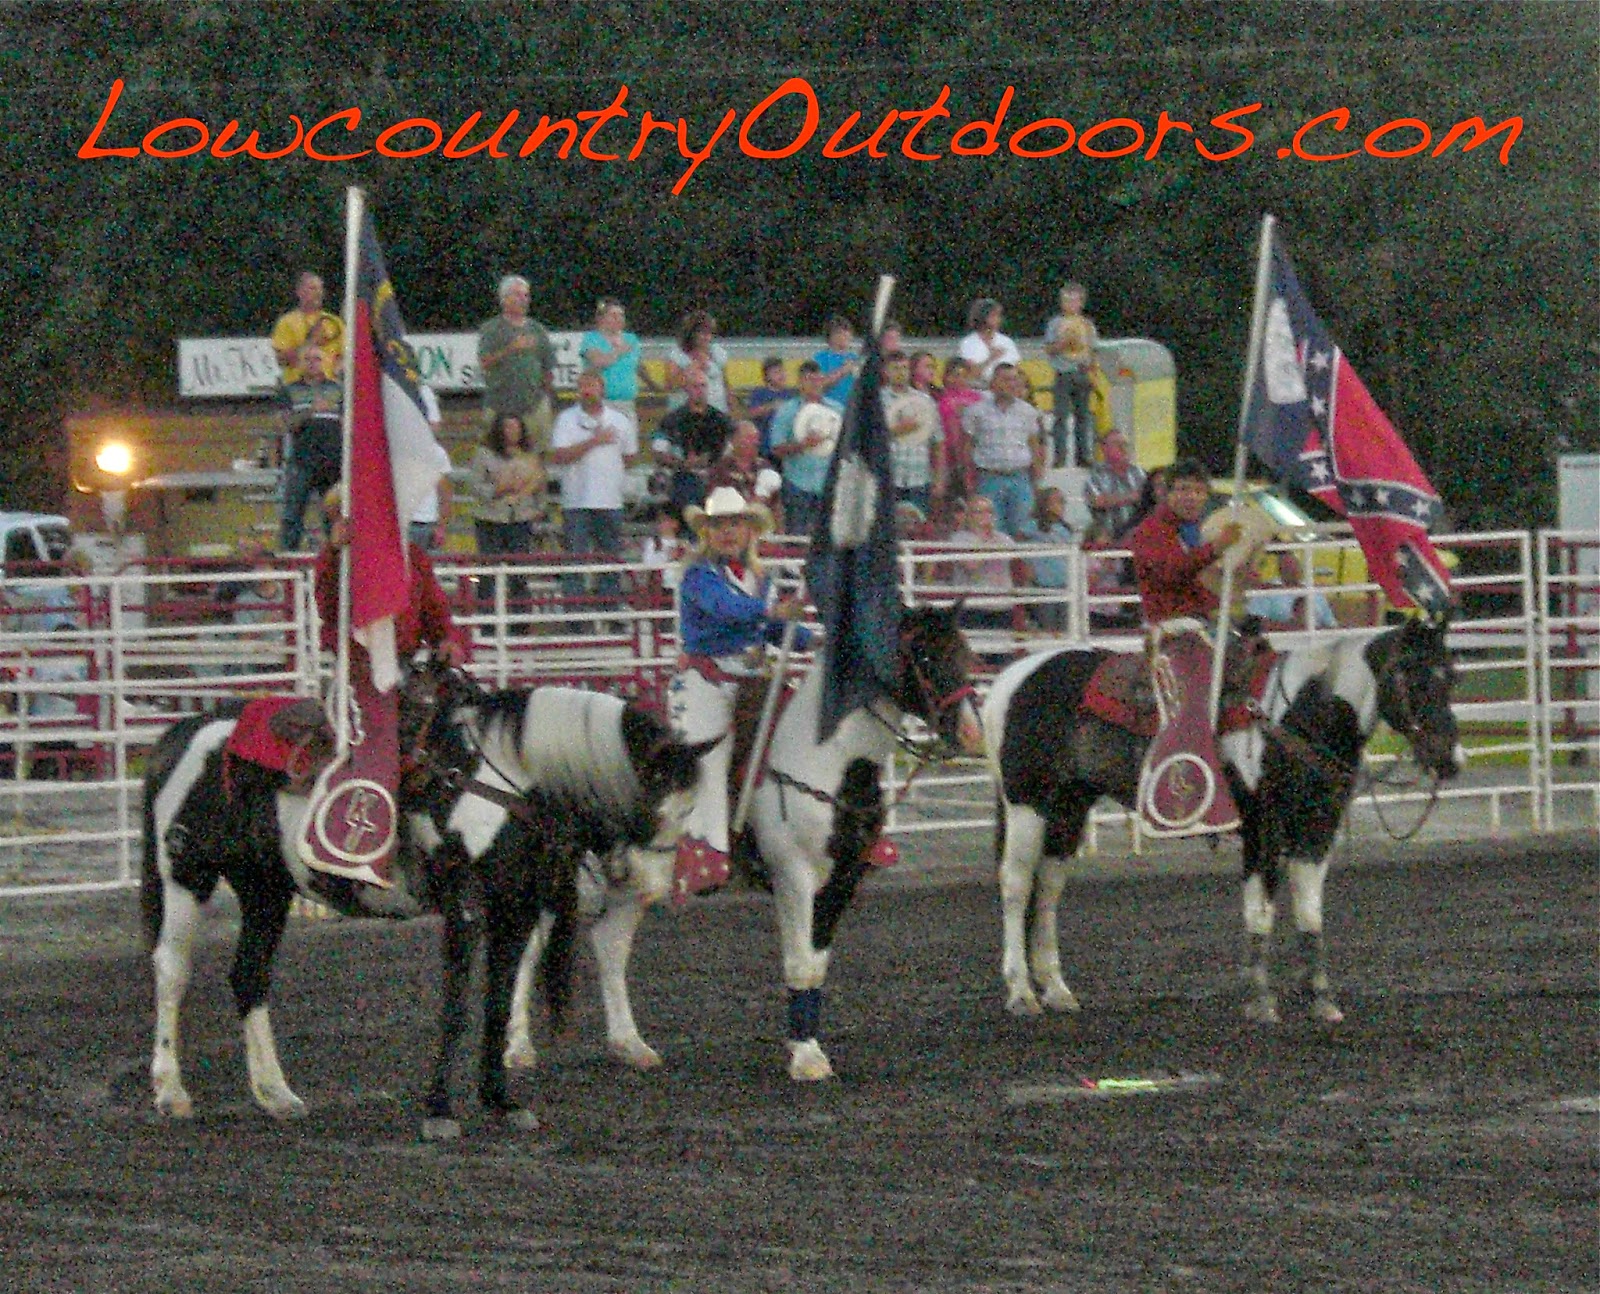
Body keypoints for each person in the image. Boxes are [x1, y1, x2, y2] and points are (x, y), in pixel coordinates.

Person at [666, 487, 813, 893]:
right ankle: (704, 854)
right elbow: (725, 610)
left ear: (749, 530)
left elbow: (770, 627)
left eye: (735, 524)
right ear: (707, 533)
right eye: (719, 525)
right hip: (706, 680)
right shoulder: (697, 575)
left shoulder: (760, 578)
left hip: (751, 681)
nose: (728, 532)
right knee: (709, 762)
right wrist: (773, 612)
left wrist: (808, 639)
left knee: (797, 742)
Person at [549, 368, 640, 619]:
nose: (588, 390)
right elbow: (559, 456)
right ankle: (575, 614)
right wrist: (594, 442)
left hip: (610, 501)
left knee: (610, 559)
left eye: (592, 385)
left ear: (602, 389)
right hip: (576, 502)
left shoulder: (620, 421)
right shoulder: (566, 419)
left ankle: (609, 609)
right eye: (583, 385)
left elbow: (630, 456)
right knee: (575, 560)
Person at [271, 271, 346, 552]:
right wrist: (311, 340)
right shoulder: (288, 323)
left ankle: (336, 564)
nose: (316, 293)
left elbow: (342, 358)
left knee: (334, 514)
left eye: (320, 288)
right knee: (293, 515)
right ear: (300, 291)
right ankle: (287, 564)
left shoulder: (336, 323)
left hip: (332, 457)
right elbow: (282, 357)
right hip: (302, 453)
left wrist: (334, 371)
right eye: (311, 288)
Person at [467, 411, 545, 626]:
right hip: (490, 517)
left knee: (518, 572)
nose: (513, 432)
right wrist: (497, 491)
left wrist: (538, 507)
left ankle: (520, 623)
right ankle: (487, 623)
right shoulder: (484, 454)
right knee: (488, 572)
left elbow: (538, 483)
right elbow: (475, 484)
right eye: (508, 427)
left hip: (519, 518)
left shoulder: (529, 456)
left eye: (516, 427)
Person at [963, 363, 1046, 539]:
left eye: (1015, 379)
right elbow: (967, 445)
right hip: (989, 477)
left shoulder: (1028, 411)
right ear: (993, 383)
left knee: (1023, 529)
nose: (1011, 384)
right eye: (1006, 379)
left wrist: (1037, 476)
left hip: (1020, 478)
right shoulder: (976, 411)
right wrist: (967, 476)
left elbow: (1034, 444)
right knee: (991, 529)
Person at [477, 274, 556, 446]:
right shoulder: (492, 329)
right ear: (504, 299)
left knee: (538, 455)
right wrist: (510, 348)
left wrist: (546, 397)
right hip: (500, 405)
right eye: (518, 295)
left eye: (526, 295)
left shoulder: (537, 329)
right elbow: (484, 362)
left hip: (534, 405)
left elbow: (548, 367)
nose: (524, 300)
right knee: (496, 454)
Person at [767, 359, 843, 537]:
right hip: (797, 483)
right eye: (810, 380)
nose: (816, 384)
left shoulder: (837, 409)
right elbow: (776, 448)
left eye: (819, 379)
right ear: (800, 382)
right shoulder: (787, 410)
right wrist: (802, 445)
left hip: (828, 483)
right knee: (797, 538)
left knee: (828, 538)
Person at [653, 368, 736, 526]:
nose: (700, 390)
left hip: (715, 479)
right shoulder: (672, 420)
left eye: (703, 385)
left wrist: (714, 463)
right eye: (695, 386)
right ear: (686, 389)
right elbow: (658, 452)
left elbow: (733, 451)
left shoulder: (721, 420)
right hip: (683, 480)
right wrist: (682, 464)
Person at [1043, 282, 1100, 468]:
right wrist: (1062, 343)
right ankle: (1060, 456)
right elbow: (1050, 349)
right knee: (1060, 415)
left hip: (1082, 372)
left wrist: (1092, 370)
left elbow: (1092, 349)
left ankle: (1083, 455)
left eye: (1074, 301)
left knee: (1083, 416)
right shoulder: (1055, 324)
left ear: (1081, 303)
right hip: (1063, 372)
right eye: (1066, 300)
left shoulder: (1087, 324)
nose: (1070, 304)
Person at [882, 349, 944, 518]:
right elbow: (869, 437)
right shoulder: (876, 401)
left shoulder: (926, 401)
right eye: (895, 368)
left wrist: (938, 479)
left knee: (917, 528)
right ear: (886, 372)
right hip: (887, 477)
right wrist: (897, 430)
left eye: (904, 368)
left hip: (919, 478)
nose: (901, 373)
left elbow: (938, 442)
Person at [947, 494, 1020, 632]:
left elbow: (1015, 561)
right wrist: (985, 540)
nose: (985, 516)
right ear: (969, 516)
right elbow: (971, 566)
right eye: (979, 512)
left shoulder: (1004, 538)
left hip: (1001, 605)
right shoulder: (960, 539)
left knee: (1001, 649)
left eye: (989, 511)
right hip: (973, 605)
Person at [580, 297, 654, 429]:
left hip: (627, 403)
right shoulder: (591, 339)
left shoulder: (631, 339)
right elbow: (597, 361)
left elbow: (638, 366)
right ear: (601, 318)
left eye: (621, 315)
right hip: (601, 403)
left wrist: (654, 386)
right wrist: (619, 351)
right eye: (613, 315)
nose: (619, 319)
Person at [707, 420, 784, 529]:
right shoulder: (721, 469)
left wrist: (780, 534)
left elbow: (776, 505)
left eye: (757, 438)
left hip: (764, 530)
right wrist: (757, 501)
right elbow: (719, 504)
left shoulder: (764, 466)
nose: (756, 442)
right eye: (749, 438)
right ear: (734, 441)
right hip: (733, 530)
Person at [408, 384, 453, 553]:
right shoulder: (391, 451)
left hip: (427, 523)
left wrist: (441, 526)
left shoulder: (436, 452)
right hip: (399, 523)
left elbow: (445, 492)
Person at [1024, 486, 1075, 632]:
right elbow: (1020, 543)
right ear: (1044, 504)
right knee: (1048, 626)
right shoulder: (1033, 526)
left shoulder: (1064, 529)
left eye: (1063, 502)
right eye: (1057, 502)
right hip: (1044, 584)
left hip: (1065, 583)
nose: (1061, 506)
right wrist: (1029, 567)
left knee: (1065, 626)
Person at [1247, 549, 1337, 630]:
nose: (1292, 568)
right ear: (1279, 569)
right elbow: (1255, 622)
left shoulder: (1314, 591)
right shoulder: (1267, 591)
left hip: (1320, 640)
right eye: (1287, 565)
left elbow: (1331, 623)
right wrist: (1291, 628)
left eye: (1294, 564)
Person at [1084, 430, 1148, 544]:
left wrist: (1114, 499)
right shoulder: (1096, 475)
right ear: (1104, 448)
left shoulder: (1140, 473)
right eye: (1117, 444)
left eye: (1125, 444)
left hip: (1140, 537)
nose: (1123, 448)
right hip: (1109, 538)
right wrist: (1131, 497)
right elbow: (1097, 501)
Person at [664, 309, 731, 413]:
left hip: (717, 412)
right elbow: (670, 386)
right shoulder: (677, 354)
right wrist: (693, 366)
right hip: (685, 413)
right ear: (691, 333)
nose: (707, 337)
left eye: (710, 333)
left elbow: (725, 384)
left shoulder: (718, 352)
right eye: (702, 333)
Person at [957, 297, 1021, 388]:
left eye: (999, 315)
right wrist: (990, 359)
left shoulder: (1007, 342)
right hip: (978, 389)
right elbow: (968, 374)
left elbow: (1017, 369)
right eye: (994, 315)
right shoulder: (968, 343)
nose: (998, 319)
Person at [743, 357, 792, 456]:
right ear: (767, 376)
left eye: (782, 371)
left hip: (786, 446)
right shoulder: (759, 393)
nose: (781, 375)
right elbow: (750, 413)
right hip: (766, 446)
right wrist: (770, 407)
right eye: (776, 372)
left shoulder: (791, 394)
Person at [813, 316, 862, 408]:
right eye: (840, 332)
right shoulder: (821, 358)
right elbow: (819, 385)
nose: (846, 335)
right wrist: (843, 371)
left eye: (847, 331)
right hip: (828, 408)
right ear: (830, 336)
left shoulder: (855, 358)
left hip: (852, 410)